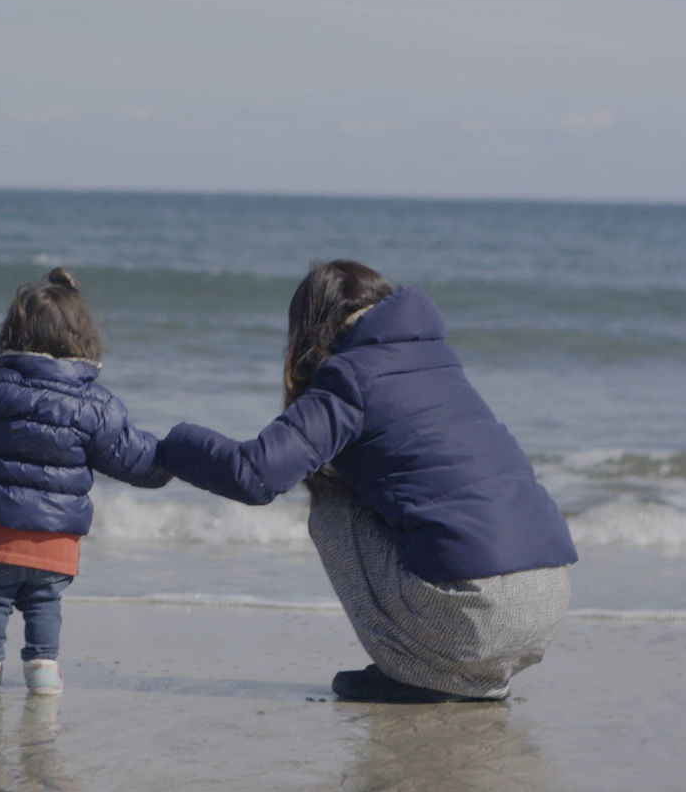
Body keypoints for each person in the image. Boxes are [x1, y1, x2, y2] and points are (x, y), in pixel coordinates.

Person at [157, 260, 578, 702]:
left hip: (478, 614)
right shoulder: (438, 363)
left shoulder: (351, 375)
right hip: (548, 600)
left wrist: (172, 447)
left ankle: (413, 670)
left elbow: (256, 475)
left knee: (333, 506)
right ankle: (464, 672)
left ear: (315, 326)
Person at [0, 268, 171, 696]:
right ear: (83, 337)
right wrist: (178, 456)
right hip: (55, 535)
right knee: (45, 601)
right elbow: (134, 459)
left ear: (13, 333)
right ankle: (43, 669)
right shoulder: (96, 406)